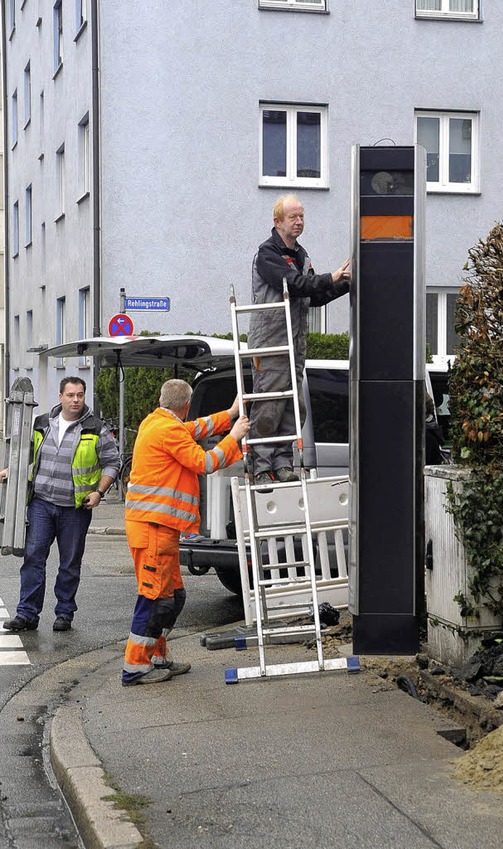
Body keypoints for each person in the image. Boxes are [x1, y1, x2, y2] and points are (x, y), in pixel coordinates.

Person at [121, 379, 249, 686]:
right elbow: (205, 463)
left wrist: (229, 413)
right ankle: (135, 666)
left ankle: (156, 655)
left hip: (158, 529)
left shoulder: (159, 422)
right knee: (155, 599)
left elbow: (197, 428)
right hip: (153, 528)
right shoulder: (167, 430)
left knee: (173, 597)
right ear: (185, 405)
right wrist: (234, 436)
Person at [2, 377, 119, 633]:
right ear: (60, 397)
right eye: (70, 395)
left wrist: (100, 491)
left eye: (80, 395)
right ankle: (27, 614)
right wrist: (12, 470)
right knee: (33, 558)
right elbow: (24, 452)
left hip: (75, 508)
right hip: (42, 503)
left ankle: (64, 613)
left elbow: (113, 462)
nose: (75, 400)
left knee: (69, 562)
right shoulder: (42, 423)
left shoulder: (95, 428)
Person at [249, 194, 350, 485]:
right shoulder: (267, 255)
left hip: (295, 345)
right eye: (293, 216)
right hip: (271, 344)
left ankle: (282, 461)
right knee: (269, 406)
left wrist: (345, 283)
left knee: (294, 407)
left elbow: (313, 295)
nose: (299, 221)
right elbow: (294, 284)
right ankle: (262, 466)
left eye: (302, 216)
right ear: (277, 221)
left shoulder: (300, 255)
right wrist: (332, 277)